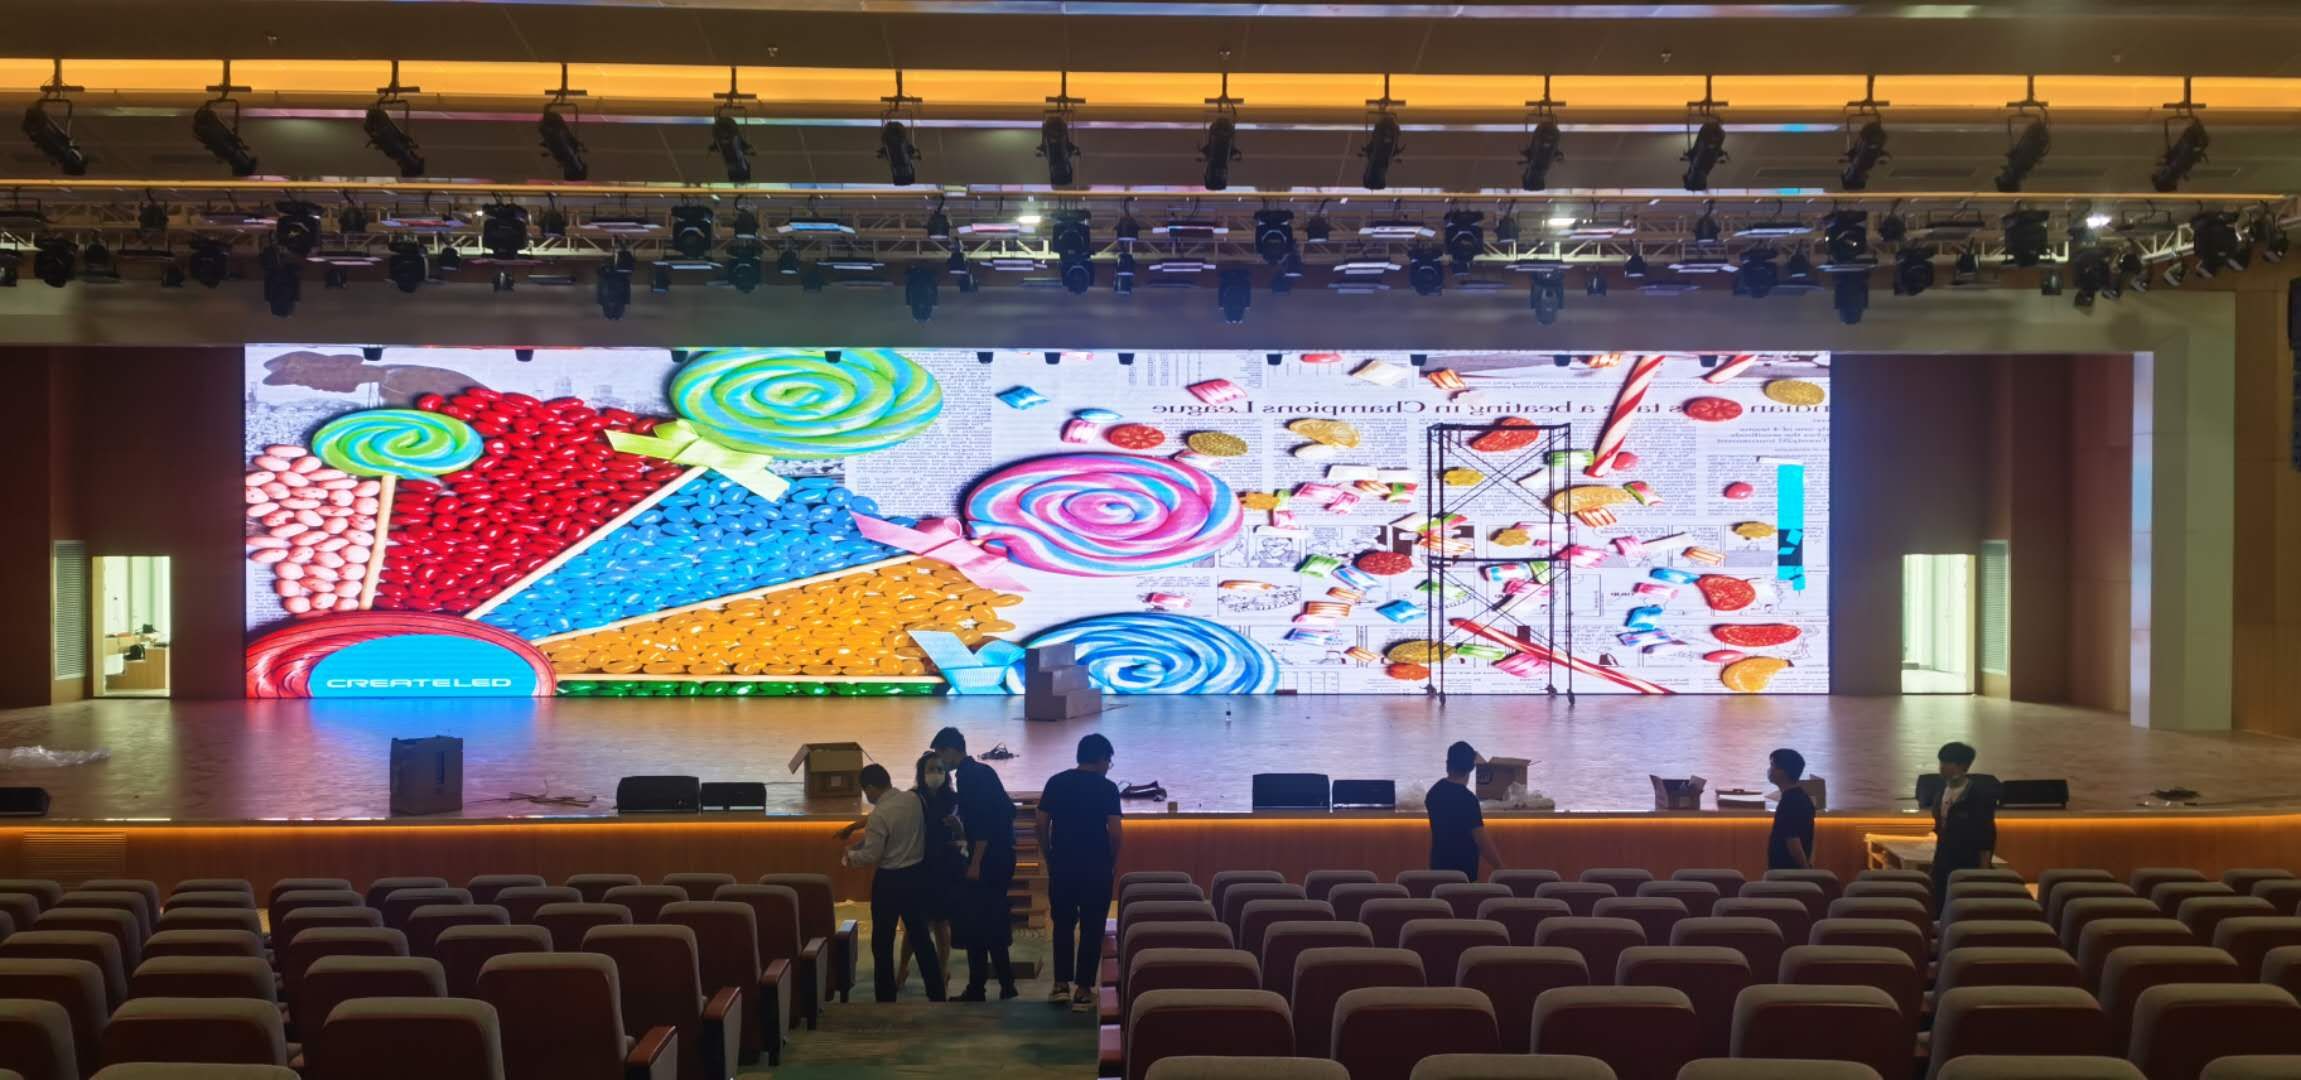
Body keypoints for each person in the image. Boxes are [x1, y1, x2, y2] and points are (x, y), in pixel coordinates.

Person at [842, 762, 946, 1002]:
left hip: (889, 881)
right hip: (916, 876)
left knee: (882, 942)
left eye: (865, 791)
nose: (866, 796)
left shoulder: (879, 815)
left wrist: (850, 856)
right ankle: (937, 993)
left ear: (870, 787)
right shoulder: (913, 800)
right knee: (921, 938)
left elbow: (872, 855)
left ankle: (886, 998)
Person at [1036, 732, 1122, 1013]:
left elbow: (1041, 822)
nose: (1108, 767)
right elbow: (1115, 832)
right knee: (1092, 927)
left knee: (1062, 924)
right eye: (1109, 762)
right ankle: (1083, 991)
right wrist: (1111, 860)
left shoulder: (1056, 782)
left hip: (1062, 864)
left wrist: (1048, 854)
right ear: (1102, 759)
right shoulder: (1107, 788)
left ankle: (1060, 985)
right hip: (1096, 867)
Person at [935, 726, 1019, 1001]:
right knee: (991, 922)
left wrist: (976, 862)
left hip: (988, 861)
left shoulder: (968, 777)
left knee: (976, 925)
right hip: (1002, 856)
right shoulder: (982, 771)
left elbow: (982, 824)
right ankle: (1004, 984)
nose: (940, 761)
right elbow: (1006, 812)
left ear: (951, 750)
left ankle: (980, 987)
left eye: (940, 754)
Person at [894, 751, 962, 997]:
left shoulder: (954, 799)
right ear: (921, 773)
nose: (936, 774)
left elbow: (965, 834)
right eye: (931, 769)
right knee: (916, 924)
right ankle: (902, 968)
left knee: (942, 923)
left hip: (945, 867)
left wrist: (959, 829)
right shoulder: (913, 798)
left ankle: (942, 971)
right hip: (919, 866)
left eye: (940, 769)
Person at [1929, 741, 2000, 911]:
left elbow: (1986, 836)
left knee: (1964, 908)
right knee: (1939, 906)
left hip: (1968, 862)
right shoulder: (1940, 792)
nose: (1942, 767)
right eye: (1941, 762)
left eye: (1947, 763)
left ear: (1962, 766)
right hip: (1942, 860)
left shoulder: (1978, 796)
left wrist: (1983, 870)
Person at [1427, 741, 1504, 881]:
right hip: (1464, 874)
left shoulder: (1433, 793)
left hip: (1438, 870)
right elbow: (1481, 840)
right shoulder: (1468, 800)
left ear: (1447, 764)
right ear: (1471, 768)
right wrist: (1500, 868)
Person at [1767, 748, 1816, 871]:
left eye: (1772, 765)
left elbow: (1793, 841)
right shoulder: (1802, 797)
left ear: (1783, 772)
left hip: (1786, 873)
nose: (1769, 770)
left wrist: (1806, 871)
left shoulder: (1789, 802)